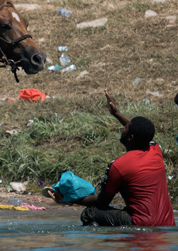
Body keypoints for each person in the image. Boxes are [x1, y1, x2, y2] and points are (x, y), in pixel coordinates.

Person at [46, 90, 175, 227]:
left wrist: (70, 199)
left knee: (90, 213)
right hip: (167, 223)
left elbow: (102, 202)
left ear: (130, 137)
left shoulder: (119, 166)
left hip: (140, 223)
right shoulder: (155, 151)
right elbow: (144, 132)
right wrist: (116, 113)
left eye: (125, 128)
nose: (122, 129)